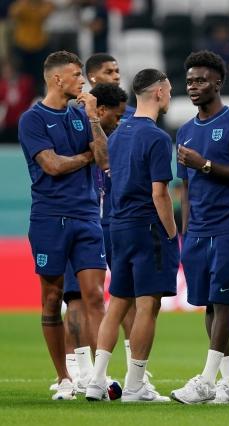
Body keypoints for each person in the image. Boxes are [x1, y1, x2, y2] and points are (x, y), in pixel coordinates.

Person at [18, 50, 109, 400]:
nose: (82, 81)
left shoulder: (81, 115)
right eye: (76, 75)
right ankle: (65, 377)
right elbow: (52, 166)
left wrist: (94, 119)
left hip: (86, 215)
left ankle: (98, 377)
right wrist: (86, 157)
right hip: (49, 218)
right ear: (57, 79)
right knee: (52, 297)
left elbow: (104, 160)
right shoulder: (32, 119)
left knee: (94, 295)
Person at [86, 68, 177, 402]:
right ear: (158, 92)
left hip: (118, 226)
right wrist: (172, 233)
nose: (170, 96)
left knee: (117, 304)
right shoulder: (157, 138)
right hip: (147, 227)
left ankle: (96, 380)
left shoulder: (118, 134)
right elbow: (159, 193)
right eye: (169, 91)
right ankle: (136, 384)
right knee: (147, 306)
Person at [170, 51, 229, 404]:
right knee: (209, 303)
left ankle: (206, 381)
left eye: (201, 80)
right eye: (190, 81)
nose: (193, 86)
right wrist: (186, 231)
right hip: (198, 231)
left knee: (223, 301)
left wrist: (205, 164)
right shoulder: (186, 130)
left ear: (218, 82)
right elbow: (185, 187)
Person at [57, 52, 141, 393]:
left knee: (125, 294)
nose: (116, 75)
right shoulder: (71, 115)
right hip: (83, 213)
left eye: (119, 70)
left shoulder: (129, 116)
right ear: (91, 78)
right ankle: (77, 372)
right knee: (75, 295)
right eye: (109, 71)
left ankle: (136, 373)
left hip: (117, 215)